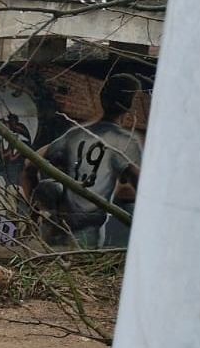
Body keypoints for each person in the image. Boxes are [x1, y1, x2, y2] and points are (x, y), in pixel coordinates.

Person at [32, 73, 144, 247]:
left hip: (56, 225)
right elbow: (136, 187)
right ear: (128, 105)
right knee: (79, 270)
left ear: (101, 97)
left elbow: (30, 163)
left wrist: (33, 211)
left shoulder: (74, 135)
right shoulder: (126, 141)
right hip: (87, 230)